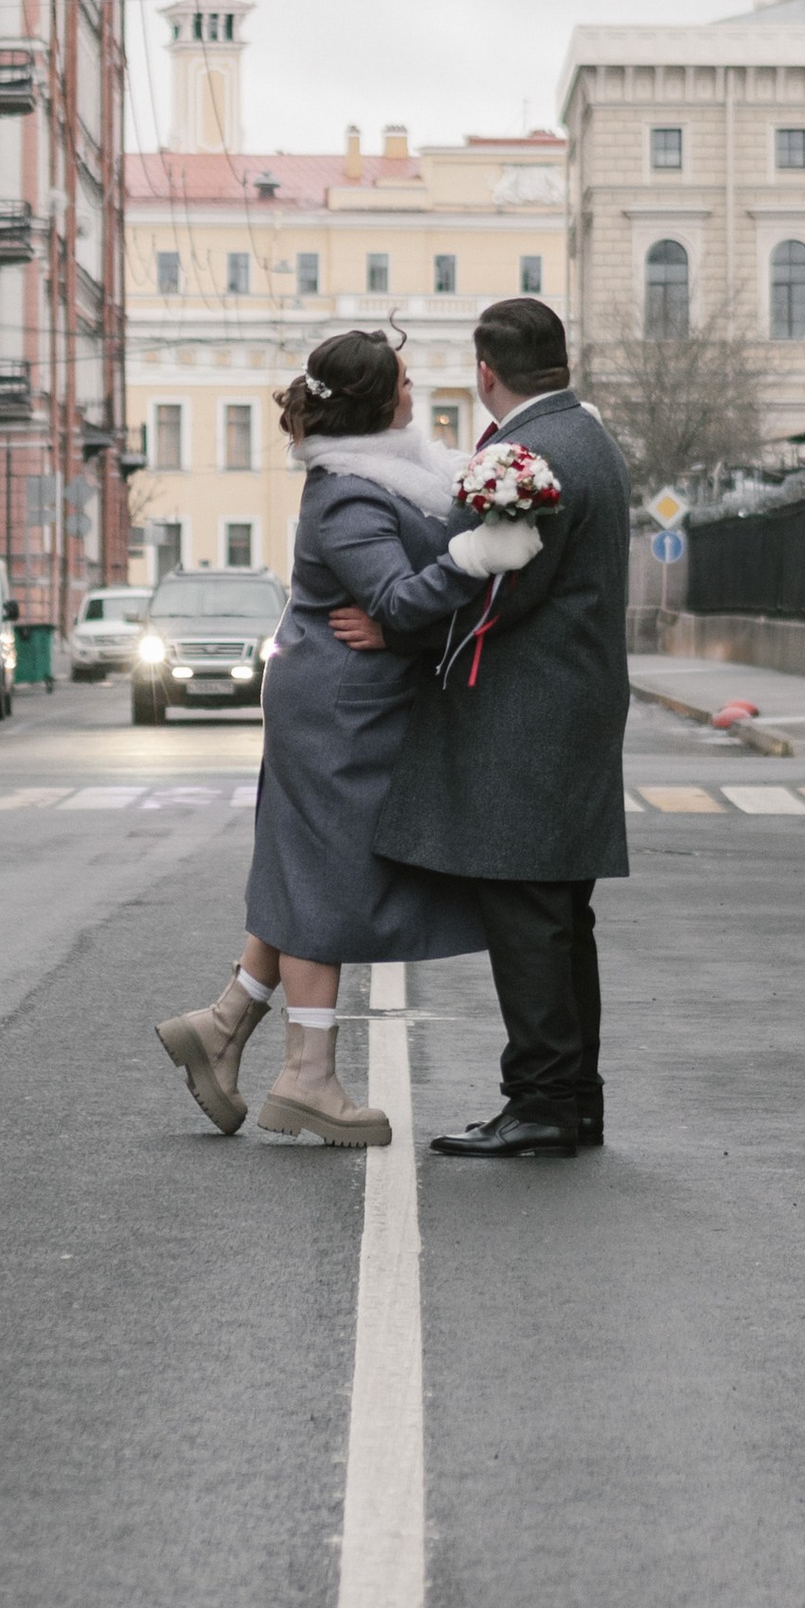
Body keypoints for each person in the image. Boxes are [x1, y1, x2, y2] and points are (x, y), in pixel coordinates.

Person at [153, 326, 532, 1148]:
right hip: (339, 707)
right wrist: (479, 555)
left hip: (352, 697)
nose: (412, 387)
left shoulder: (393, 472)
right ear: (375, 402)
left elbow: (395, 611)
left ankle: (224, 1026)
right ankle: (307, 1077)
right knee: (327, 874)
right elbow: (394, 600)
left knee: (306, 863)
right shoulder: (350, 492)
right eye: (402, 379)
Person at [368, 295, 632, 1160]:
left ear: (487, 373)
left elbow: (500, 588)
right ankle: (572, 1098)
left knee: (526, 914)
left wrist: (401, 619)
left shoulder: (531, 453)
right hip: (573, 703)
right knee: (559, 916)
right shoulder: (586, 435)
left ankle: (544, 1100)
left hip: (528, 712)